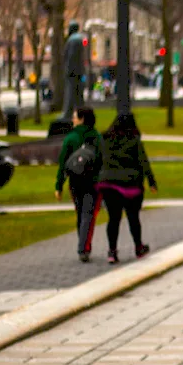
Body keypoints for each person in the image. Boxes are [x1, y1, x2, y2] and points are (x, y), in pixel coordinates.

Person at [96, 114, 156, 264]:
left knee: (113, 219)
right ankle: (138, 247)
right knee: (133, 217)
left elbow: (98, 159)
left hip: (108, 182)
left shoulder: (105, 139)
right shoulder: (134, 141)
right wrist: (151, 181)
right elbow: (143, 162)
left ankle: (112, 251)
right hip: (129, 184)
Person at [55, 106, 103, 262]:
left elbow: (62, 163)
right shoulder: (97, 137)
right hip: (93, 182)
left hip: (75, 182)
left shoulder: (70, 138)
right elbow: (103, 160)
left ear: (82, 119)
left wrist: (59, 185)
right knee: (88, 215)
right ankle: (84, 247)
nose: (72, 119)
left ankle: (82, 244)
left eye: (75, 117)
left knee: (80, 213)